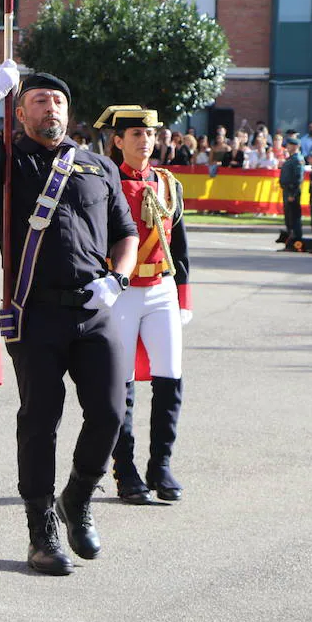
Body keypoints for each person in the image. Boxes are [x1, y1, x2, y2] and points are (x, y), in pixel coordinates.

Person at [0, 73, 138, 575]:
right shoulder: (7, 160)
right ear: (21, 112)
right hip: (35, 314)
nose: (50, 107)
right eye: (38, 100)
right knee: (41, 420)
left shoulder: (99, 166)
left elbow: (127, 233)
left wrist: (117, 280)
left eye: (58, 99)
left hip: (95, 307)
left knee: (110, 412)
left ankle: (76, 499)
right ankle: (41, 532)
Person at [105, 108, 191, 505]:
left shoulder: (167, 183)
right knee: (120, 383)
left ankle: (162, 465)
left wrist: (184, 297)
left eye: (150, 133)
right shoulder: (107, 182)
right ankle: (126, 469)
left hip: (162, 287)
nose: (145, 140)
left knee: (170, 375)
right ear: (118, 140)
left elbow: (181, 247)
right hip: (123, 290)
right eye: (136, 133)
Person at [278, 135, 305, 249]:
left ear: (295, 146)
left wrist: (292, 194)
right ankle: (290, 242)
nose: (287, 147)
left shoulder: (297, 160)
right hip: (287, 191)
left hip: (291, 192)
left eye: (289, 145)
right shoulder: (291, 159)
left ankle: (296, 243)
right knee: (289, 218)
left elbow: (298, 179)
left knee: (294, 218)